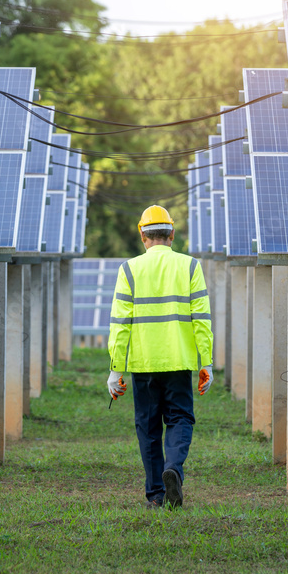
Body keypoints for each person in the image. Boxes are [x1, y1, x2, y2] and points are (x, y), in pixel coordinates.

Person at [106, 205, 214, 509]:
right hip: (179, 362)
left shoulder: (128, 269)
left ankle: (155, 494)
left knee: (148, 426)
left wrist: (116, 369)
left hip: (143, 364)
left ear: (142, 236)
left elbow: (120, 324)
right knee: (180, 419)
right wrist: (205, 362)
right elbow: (201, 319)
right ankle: (173, 470)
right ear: (172, 235)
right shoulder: (191, 266)